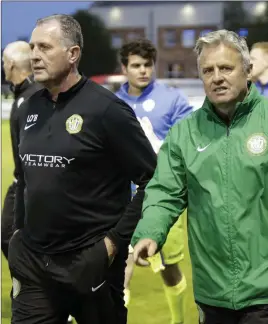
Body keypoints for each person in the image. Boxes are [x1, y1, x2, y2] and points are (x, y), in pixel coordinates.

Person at [131, 30, 268, 324]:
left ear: (247, 70)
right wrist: (149, 231)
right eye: (208, 70)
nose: (217, 77)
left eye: (226, 68)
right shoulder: (185, 133)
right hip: (211, 289)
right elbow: (164, 192)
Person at [8, 14, 157, 324]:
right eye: (33, 47)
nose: (35, 55)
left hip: (90, 263)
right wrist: (19, 235)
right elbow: (24, 177)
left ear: (73, 54)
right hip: (33, 263)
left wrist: (113, 243)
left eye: (45, 47)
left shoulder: (107, 110)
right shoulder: (29, 107)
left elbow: (153, 180)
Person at [115, 38, 193, 324]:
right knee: (118, 265)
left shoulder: (172, 100)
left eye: (147, 65)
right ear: (124, 68)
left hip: (164, 197)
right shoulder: (112, 103)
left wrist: (160, 149)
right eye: (136, 65)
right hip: (121, 199)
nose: (143, 71)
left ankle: (178, 320)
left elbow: (189, 139)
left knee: (169, 268)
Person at [1, 41, 42, 260]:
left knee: (10, 236)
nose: (3, 67)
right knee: (10, 237)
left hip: (28, 186)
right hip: (24, 183)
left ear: (13, 64)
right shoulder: (26, 95)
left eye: (4, 62)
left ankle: (35, 285)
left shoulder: (30, 99)